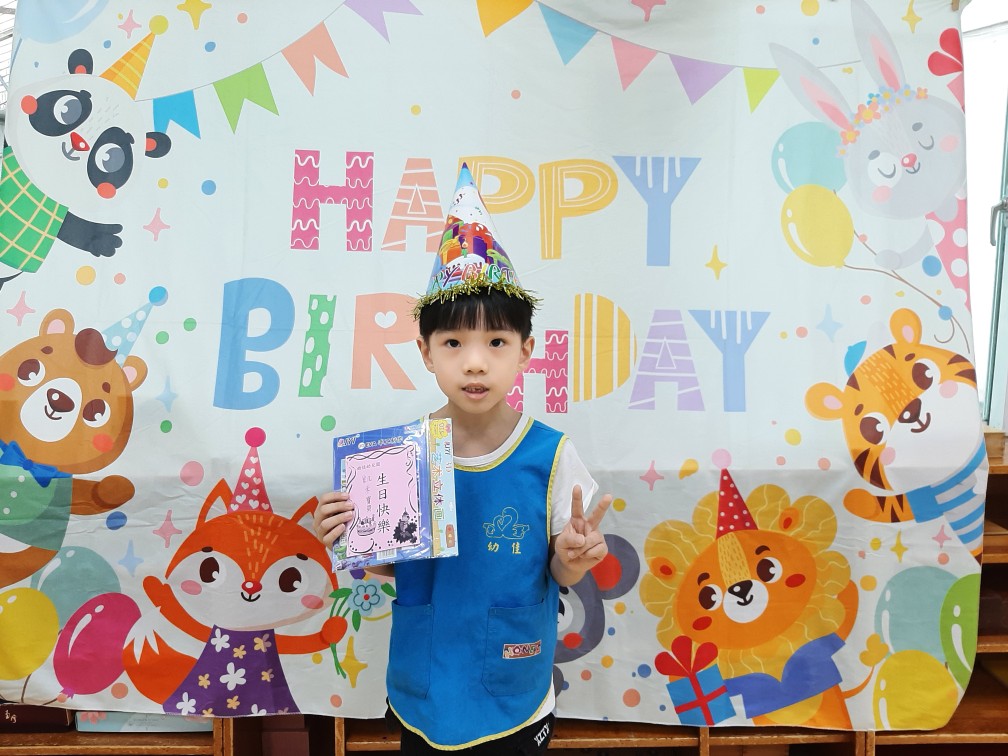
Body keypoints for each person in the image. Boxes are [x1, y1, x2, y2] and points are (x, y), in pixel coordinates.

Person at [314, 164, 612, 754]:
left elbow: (559, 574)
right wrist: (350, 535)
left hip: (514, 687)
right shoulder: (399, 457)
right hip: (426, 684)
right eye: (453, 343)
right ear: (426, 352)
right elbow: (396, 569)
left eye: (496, 342)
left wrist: (573, 561)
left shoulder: (551, 455)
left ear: (525, 351)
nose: (475, 362)